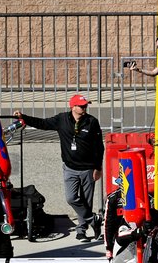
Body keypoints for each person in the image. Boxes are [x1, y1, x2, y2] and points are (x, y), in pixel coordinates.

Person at [14, 94, 104, 242]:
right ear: (73, 107)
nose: (84, 108)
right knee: (71, 198)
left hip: (88, 169)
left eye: (85, 105)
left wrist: (98, 167)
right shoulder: (61, 119)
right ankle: (93, 220)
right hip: (70, 168)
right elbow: (42, 123)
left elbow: (99, 147)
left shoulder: (92, 122)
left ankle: (81, 230)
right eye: (81, 106)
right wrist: (24, 117)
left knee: (87, 201)